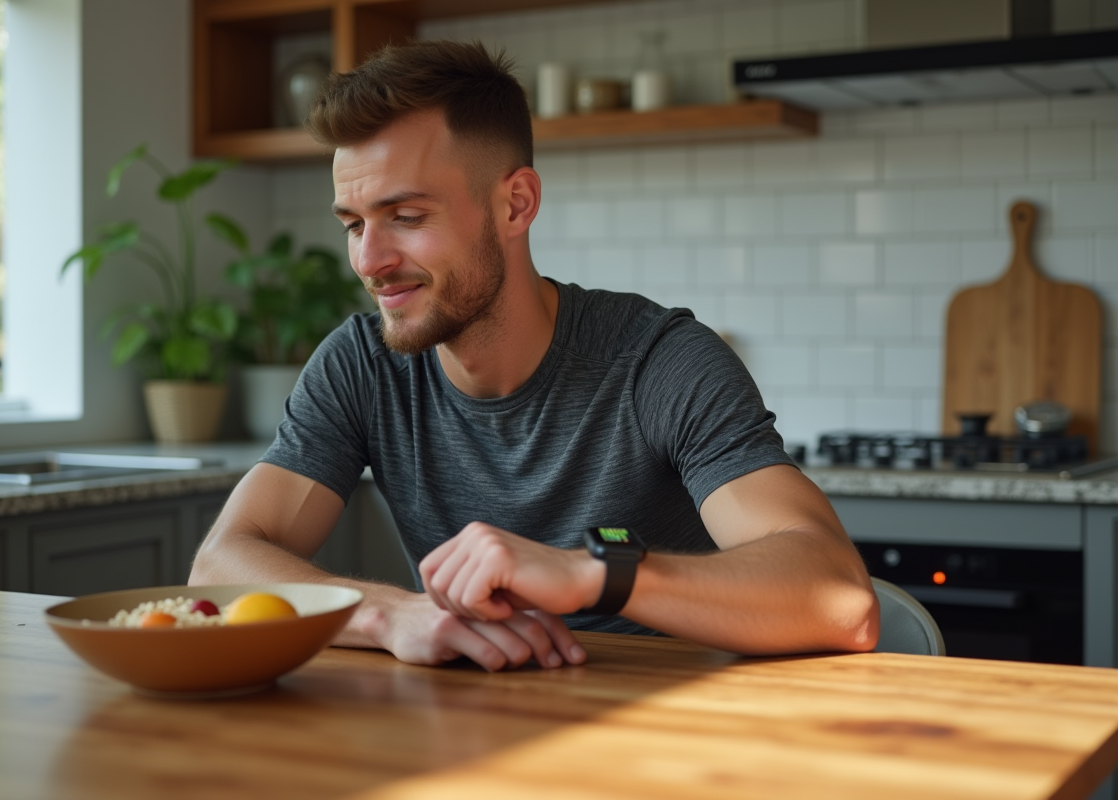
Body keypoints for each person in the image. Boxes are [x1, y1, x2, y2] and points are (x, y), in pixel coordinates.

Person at [189, 40, 879, 672]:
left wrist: (592, 572)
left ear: (516, 205)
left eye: (407, 217)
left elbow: (841, 599)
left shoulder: (658, 361)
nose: (370, 261)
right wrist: (388, 614)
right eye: (353, 224)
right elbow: (221, 564)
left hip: (675, 721)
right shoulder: (361, 365)